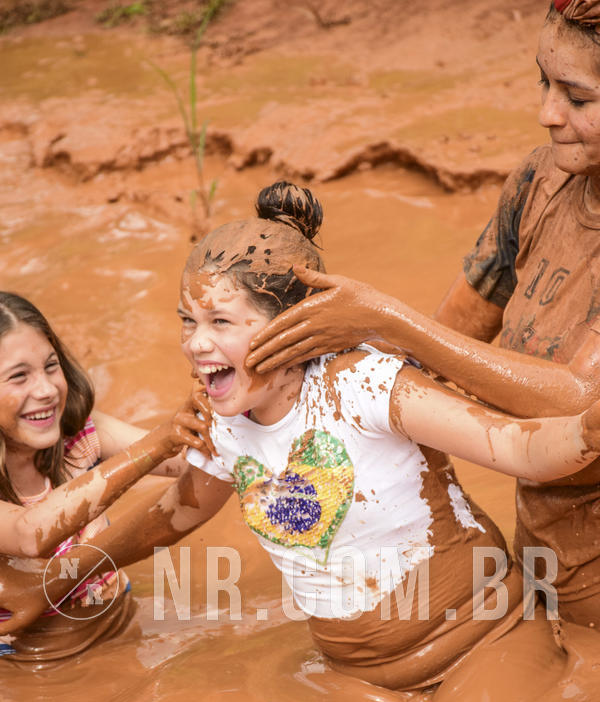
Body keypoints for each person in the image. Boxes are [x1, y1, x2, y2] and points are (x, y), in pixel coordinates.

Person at [11, 182, 600, 702]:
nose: (194, 344)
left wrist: (584, 430)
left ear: (294, 326)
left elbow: (518, 447)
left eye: (219, 322)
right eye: (187, 322)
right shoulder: (226, 423)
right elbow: (172, 518)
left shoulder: (367, 384)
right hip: (357, 674)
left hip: (484, 639)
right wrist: (66, 579)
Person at [245, 1, 600, 630]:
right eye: (544, 83)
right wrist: (287, 397)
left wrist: (382, 318)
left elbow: (581, 405)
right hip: (542, 546)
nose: (547, 113)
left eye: (577, 96)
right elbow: (447, 338)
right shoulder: (541, 181)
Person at [0, 291, 206, 663]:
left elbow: (192, 460)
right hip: (32, 667)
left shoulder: (80, 438)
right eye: (19, 377)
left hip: (121, 625)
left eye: (50, 366)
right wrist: (158, 443)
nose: (46, 390)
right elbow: (30, 534)